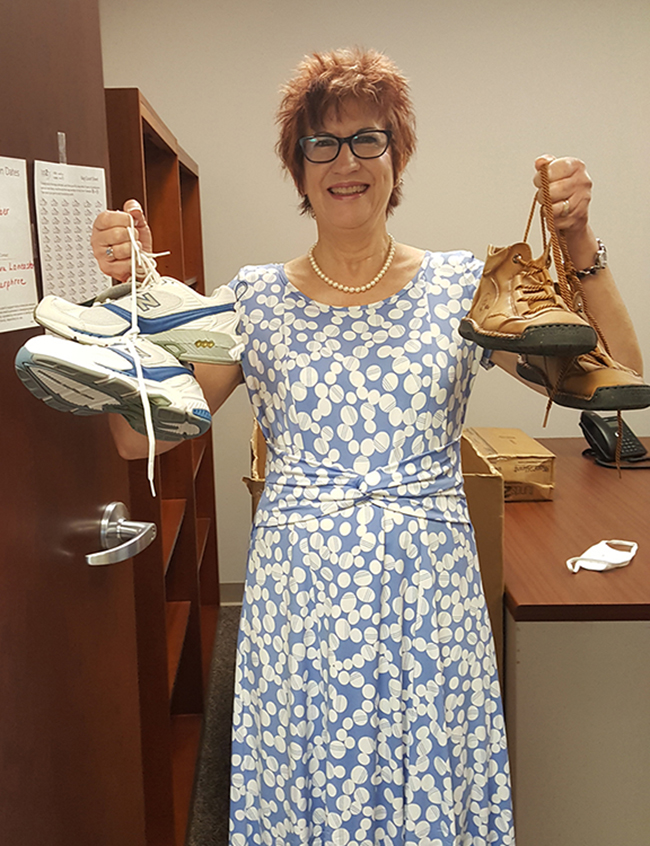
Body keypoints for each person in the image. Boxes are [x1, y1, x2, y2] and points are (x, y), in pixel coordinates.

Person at [46, 48, 647, 845]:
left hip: (428, 601)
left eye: (369, 140)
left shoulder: (464, 289)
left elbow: (621, 378)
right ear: (297, 170)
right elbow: (134, 438)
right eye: (320, 144)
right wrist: (129, 303)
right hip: (302, 605)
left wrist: (577, 242)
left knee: (426, 787)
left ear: (398, 159)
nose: (346, 161)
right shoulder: (251, 299)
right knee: (309, 786)